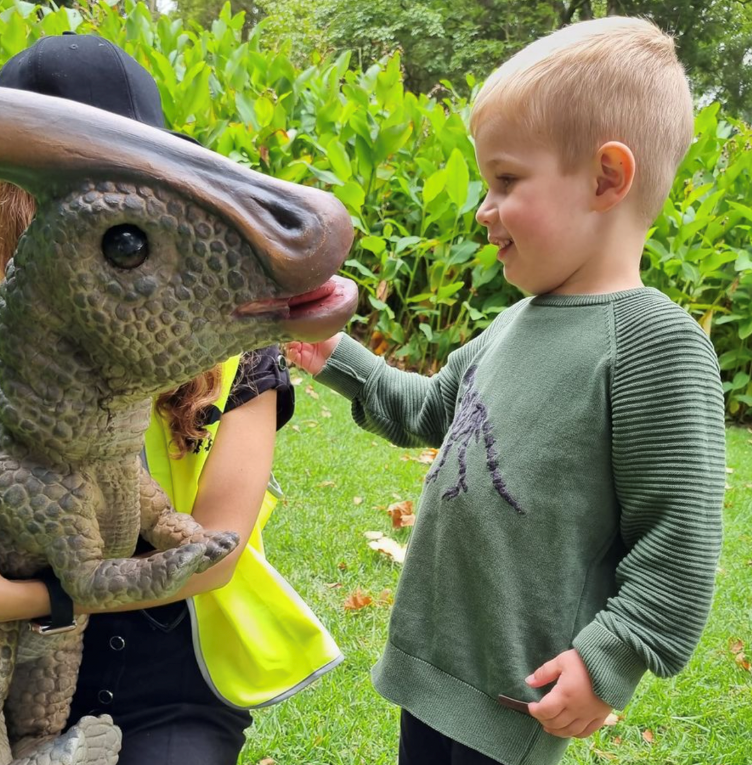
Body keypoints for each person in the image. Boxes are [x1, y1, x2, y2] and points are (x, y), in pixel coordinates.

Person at [288, 16, 726, 765]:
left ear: (605, 178)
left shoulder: (654, 342)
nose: (483, 210)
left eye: (506, 181)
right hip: (435, 660)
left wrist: (610, 656)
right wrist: (334, 352)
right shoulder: (511, 323)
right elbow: (430, 411)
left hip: (518, 684)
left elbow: (679, 537)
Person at [0, 33, 341, 765]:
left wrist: (15, 598)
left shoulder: (236, 351)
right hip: (8, 660)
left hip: (168, 663)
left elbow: (216, 552)